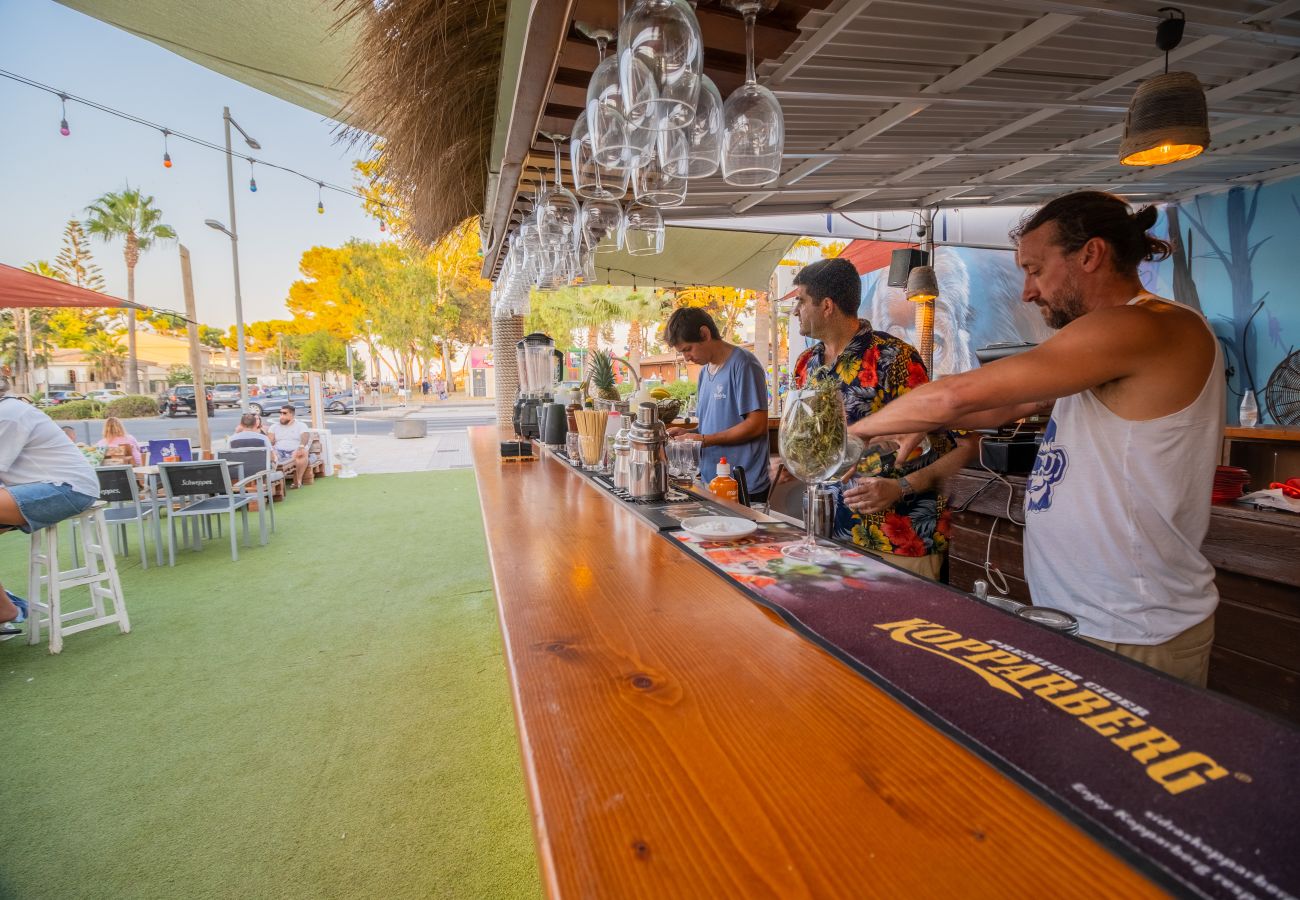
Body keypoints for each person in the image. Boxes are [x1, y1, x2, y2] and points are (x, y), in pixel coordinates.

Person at [847, 190, 1224, 686]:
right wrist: (926, 421)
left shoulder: (1143, 325)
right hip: (1085, 617)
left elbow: (954, 396)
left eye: (1035, 269)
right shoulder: (1106, 341)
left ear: (1090, 255)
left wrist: (850, 433)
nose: (1027, 291)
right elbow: (1005, 403)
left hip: (1132, 627)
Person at [790, 257, 977, 580]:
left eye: (800, 301)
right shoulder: (807, 363)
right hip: (828, 533)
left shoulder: (895, 358)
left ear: (827, 305)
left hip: (900, 538)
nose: (795, 311)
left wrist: (901, 486)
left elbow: (959, 446)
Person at [1, 375, 100, 634]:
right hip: (38, 489)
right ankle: (6, 606)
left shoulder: (8, 413)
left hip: (66, 488)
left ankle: (5, 609)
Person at [664, 307, 771, 502]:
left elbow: (757, 425)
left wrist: (703, 439)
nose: (686, 357)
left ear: (705, 334)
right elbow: (712, 427)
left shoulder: (744, 364)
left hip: (742, 484)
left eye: (688, 349)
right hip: (711, 482)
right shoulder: (705, 373)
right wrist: (690, 435)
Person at [266, 404, 312, 488]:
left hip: (295, 450)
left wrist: (301, 446)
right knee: (269, 454)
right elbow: (269, 441)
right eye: (280, 413)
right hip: (279, 450)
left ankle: (298, 481)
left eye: (284, 413)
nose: (281, 416)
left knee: (302, 453)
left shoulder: (301, 425)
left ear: (291, 415)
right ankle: (273, 481)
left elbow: (305, 436)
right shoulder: (274, 427)